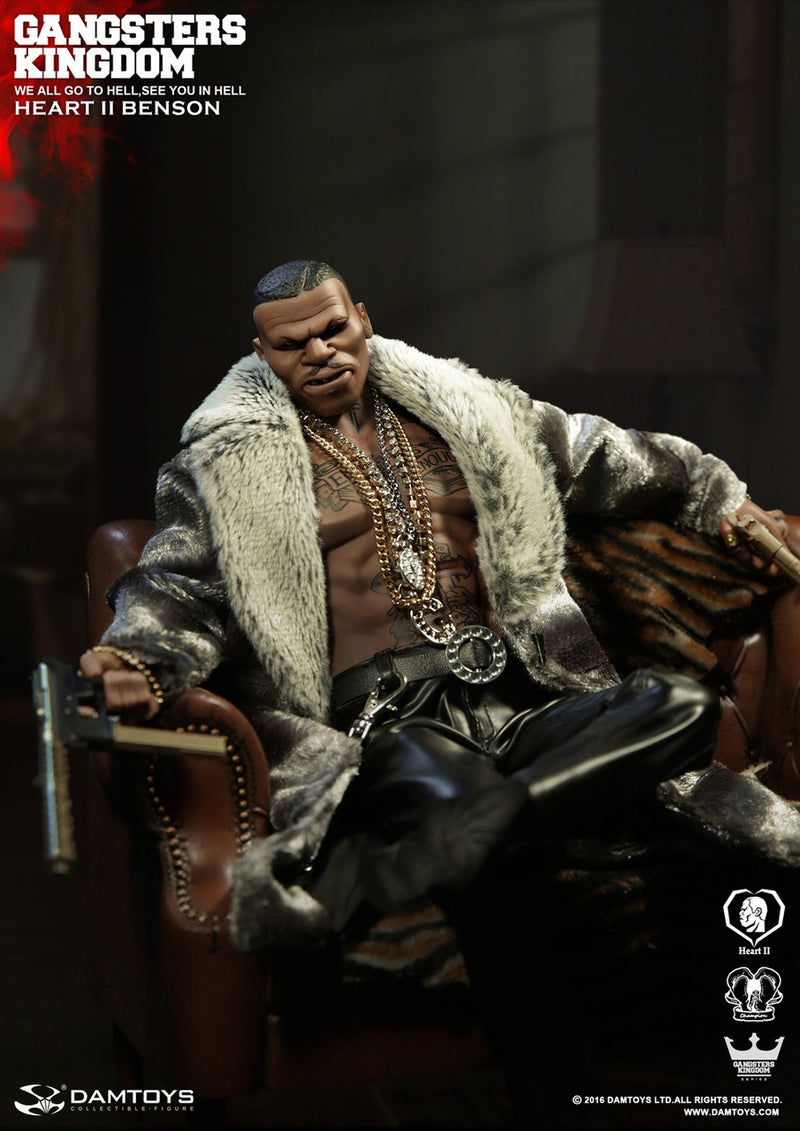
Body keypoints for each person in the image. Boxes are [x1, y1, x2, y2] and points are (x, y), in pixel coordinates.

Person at [80, 259, 792, 1126]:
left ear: (361, 317)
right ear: (263, 356)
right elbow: (172, 588)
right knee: (490, 849)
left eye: (332, 329)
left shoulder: (470, 412)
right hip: (393, 723)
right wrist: (138, 658)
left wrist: (721, 499)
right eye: (293, 344)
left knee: (678, 709)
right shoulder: (225, 467)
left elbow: (610, 454)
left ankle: (453, 837)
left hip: (523, 703)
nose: (320, 352)